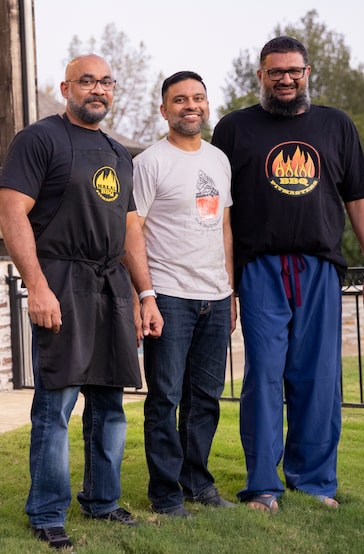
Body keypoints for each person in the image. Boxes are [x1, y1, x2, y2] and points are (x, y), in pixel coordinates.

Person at [211, 36, 364, 514]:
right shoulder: (234, 128)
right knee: (264, 375)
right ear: (261, 76)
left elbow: (359, 201)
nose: (285, 79)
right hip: (260, 269)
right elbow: (219, 213)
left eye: (294, 71)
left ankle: (313, 481)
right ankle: (263, 485)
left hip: (320, 268)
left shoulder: (336, 125)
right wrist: (224, 285)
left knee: (319, 378)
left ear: (308, 73)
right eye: (275, 72)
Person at [0, 53, 163, 550]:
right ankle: (47, 512)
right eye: (87, 81)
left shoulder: (118, 152)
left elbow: (130, 228)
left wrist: (144, 294)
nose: (98, 89)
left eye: (106, 82)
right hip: (62, 279)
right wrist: (38, 285)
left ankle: (103, 501)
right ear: (65, 87)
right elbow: (12, 212)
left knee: (110, 403)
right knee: (57, 403)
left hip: (111, 286)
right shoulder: (38, 139)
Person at [133, 71, 237, 518]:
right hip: (170, 296)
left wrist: (230, 290)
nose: (189, 106)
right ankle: (165, 494)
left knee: (206, 398)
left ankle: (197, 483)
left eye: (197, 98)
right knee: (165, 397)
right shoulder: (149, 161)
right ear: (164, 110)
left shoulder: (219, 160)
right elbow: (130, 229)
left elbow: (225, 228)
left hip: (215, 297)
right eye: (179, 100)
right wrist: (147, 295)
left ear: (207, 106)